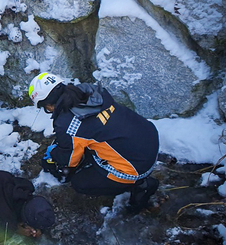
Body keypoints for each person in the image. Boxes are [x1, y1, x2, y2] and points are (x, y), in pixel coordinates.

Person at [29, 72, 160, 211]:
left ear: (49, 105)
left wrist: (54, 154)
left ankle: (140, 185)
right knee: (89, 146)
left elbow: (69, 161)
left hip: (135, 166)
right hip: (148, 137)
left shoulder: (67, 124)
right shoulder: (89, 91)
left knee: (80, 183)